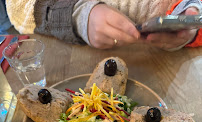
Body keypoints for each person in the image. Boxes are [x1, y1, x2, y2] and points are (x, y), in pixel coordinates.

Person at [4, 0, 202, 50]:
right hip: (66, 54)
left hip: (167, 63)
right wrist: (78, 14)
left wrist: (190, 14)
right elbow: (18, 6)